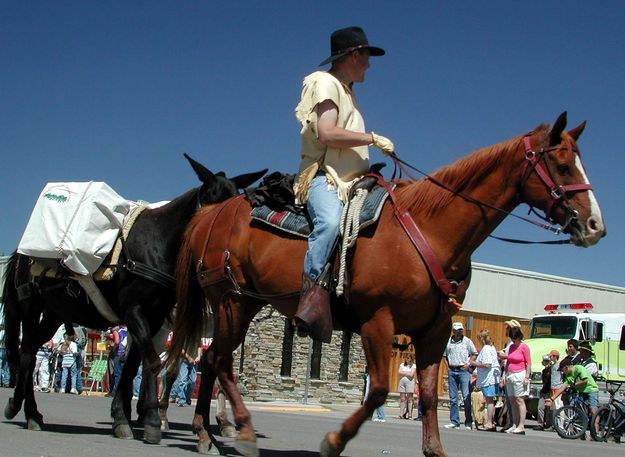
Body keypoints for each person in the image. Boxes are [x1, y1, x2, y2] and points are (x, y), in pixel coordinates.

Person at [291, 26, 394, 343]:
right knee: (332, 222)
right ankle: (311, 297)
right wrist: (371, 139)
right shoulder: (324, 83)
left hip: (352, 182)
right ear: (353, 55)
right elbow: (327, 133)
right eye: (366, 56)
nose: (369, 65)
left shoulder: (348, 92)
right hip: (325, 178)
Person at [443, 322, 478, 429]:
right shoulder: (448, 341)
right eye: (457, 330)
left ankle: (468, 421)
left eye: (460, 330)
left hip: (463, 370)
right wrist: (448, 367)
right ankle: (454, 421)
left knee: (466, 396)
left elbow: (474, 353)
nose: (459, 332)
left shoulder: (467, 341)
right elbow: (444, 355)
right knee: (453, 398)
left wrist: (468, 364)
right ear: (453, 330)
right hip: (452, 369)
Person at [550, 363, 600, 431]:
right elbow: (562, 388)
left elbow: (585, 380)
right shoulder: (568, 376)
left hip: (591, 389)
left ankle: (595, 431)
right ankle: (580, 433)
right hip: (581, 391)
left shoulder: (578, 368)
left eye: (563, 371)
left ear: (566, 367)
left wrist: (573, 385)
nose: (563, 373)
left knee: (593, 409)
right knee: (581, 412)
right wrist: (551, 399)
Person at [500, 326, 531, 435]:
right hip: (510, 374)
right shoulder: (511, 347)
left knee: (519, 400)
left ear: (519, 337)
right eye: (512, 338)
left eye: (515, 338)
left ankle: (521, 425)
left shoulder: (524, 347)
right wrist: (504, 375)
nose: (513, 340)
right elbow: (508, 360)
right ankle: (514, 423)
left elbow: (528, 362)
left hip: (520, 374)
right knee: (512, 400)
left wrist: (527, 376)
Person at [470, 329, 500, 431]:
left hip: (489, 378)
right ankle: (491, 421)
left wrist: (473, 363)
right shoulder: (491, 347)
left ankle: (489, 422)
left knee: (489, 400)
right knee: (490, 400)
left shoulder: (486, 349)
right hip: (491, 378)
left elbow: (487, 364)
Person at [497, 319, 521, 431]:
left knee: (513, 400)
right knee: (510, 400)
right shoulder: (510, 343)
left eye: (508, 328)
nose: (506, 330)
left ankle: (513, 423)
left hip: (512, 372)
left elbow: (510, 359)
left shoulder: (513, 343)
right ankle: (511, 422)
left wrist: (503, 376)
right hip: (508, 371)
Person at [109, 325, 128, 395]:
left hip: (119, 353)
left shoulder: (116, 331)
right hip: (125, 354)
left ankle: (115, 391)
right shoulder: (127, 331)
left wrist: (113, 349)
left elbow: (117, 342)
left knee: (117, 374)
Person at [397, 354, 416, 419]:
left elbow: (411, 374)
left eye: (408, 358)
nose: (407, 359)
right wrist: (407, 373)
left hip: (409, 382)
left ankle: (410, 414)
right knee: (402, 399)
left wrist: (404, 372)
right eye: (406, 358)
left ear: (411, 359)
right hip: (402, 382)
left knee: (410, 399)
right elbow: (399, 371)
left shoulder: (413, 365)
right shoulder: (402, 364)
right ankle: (401, 414)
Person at [536, 355, 552, 430]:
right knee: (540, 407)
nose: (544, 362)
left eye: (546, 361)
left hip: (549, 391)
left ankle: (548, 424)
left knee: (549, 408)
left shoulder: (551, 370)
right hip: (544, 390)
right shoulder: (543, 371)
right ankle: (540, 423)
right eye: (544, 361)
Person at [0, 313, 11, 387]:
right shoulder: (10, 332)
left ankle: (4, 381)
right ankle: (6, 381)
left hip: (2, 348)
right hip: (7, 348)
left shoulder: (2, 332)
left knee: (1, 364)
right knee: (6, 366)